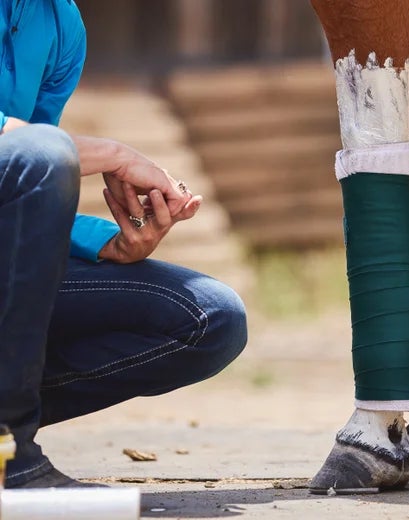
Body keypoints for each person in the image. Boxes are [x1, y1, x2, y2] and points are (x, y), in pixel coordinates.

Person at [0, 0, 248, 488]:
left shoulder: (59, 21)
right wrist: (110, 154)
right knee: (47, 152)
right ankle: (11, 455)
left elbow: (21, 184)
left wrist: (102, 243)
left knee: (210, 318)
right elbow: (37, 152)